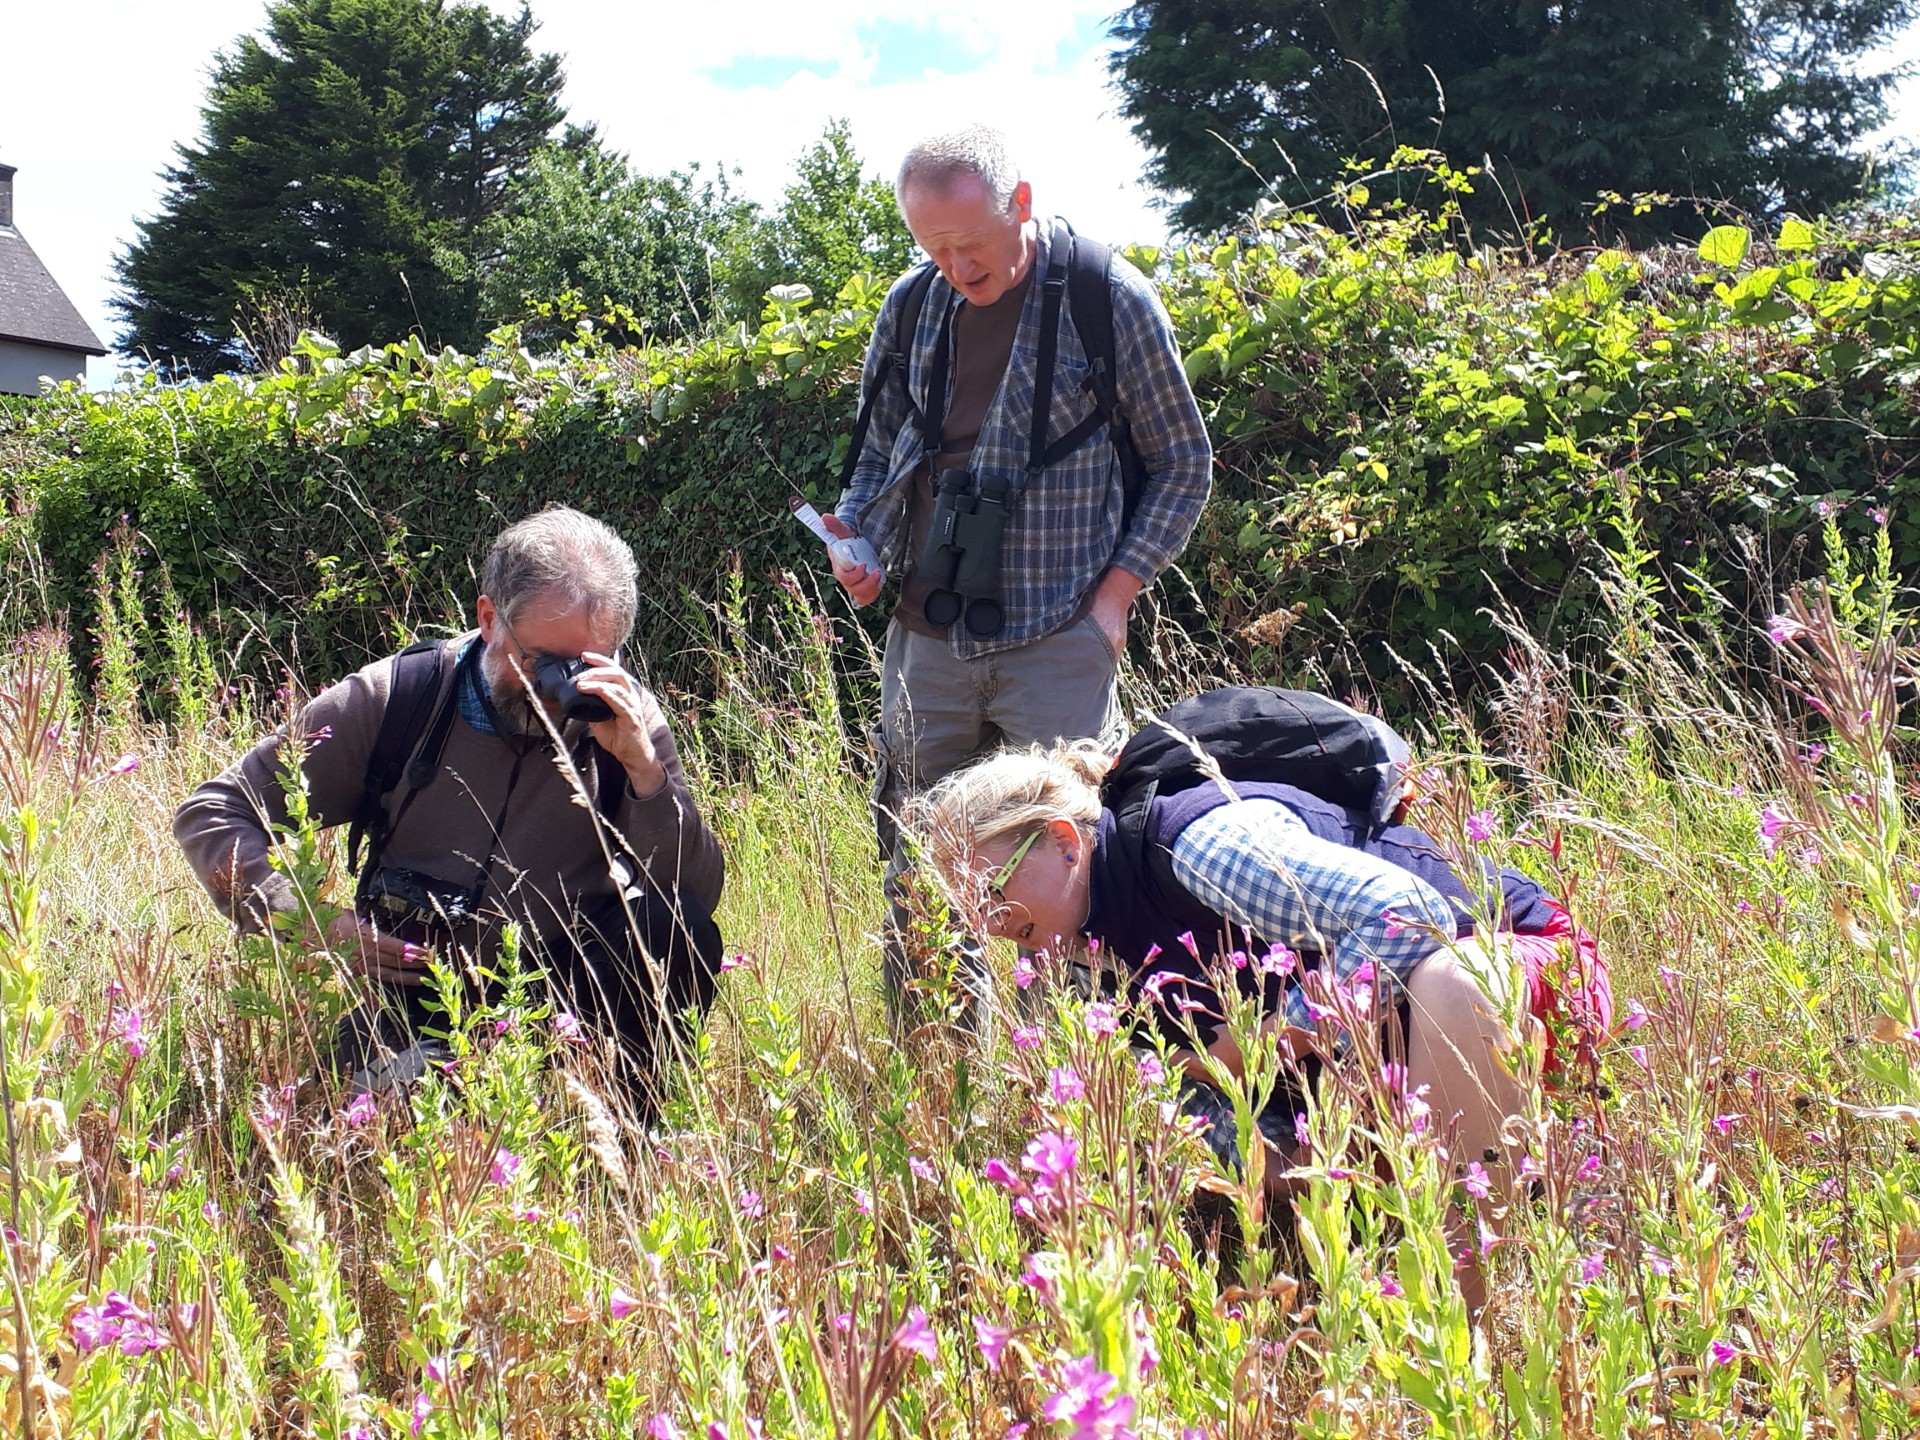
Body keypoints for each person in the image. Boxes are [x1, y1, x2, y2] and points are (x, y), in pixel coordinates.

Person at [912, 739, 1614, 1304]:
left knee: (1457, 981)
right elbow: (1197, 1097)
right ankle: (1405, 1254)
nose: (984, 925)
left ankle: (1469, 1312)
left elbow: (1407, 912)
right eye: (966, 908)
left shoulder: (1197, 846)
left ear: (1066, 841)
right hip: (1397, 1052)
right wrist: (1264, 1157)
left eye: (990, 892)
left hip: (1532, 967)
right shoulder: (1094, 957)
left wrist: (1277, 1037)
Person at [820, 123, 1213, 1013]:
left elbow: (1186, 462)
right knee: (919, 860)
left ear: (1022, 204)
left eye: (971, 244)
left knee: (1066, 864)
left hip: (1062, 631)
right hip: (927, 634)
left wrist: (1115, 599)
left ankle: (1070, 1081)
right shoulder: (912, 308)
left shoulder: (1107, 298)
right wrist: (866, 550)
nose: (956, 267)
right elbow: (878, 457)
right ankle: (942, 1071)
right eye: (933, 248)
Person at [175, 507, 725, 1107]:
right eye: (543, 662)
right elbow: (213, 812)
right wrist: (314, 924)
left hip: (559, 996)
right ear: (489, 619)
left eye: (588, 664)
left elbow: (693, 899)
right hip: (418, 993)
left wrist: (644, 775)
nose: (561, 691)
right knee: (385, 1127)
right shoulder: (400, 698)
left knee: (672, 930)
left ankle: (627, 1141)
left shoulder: (625, 721)